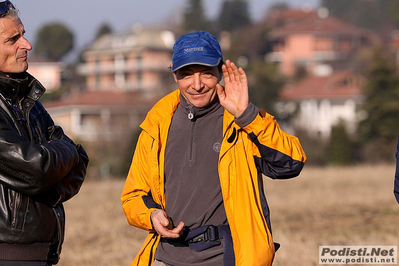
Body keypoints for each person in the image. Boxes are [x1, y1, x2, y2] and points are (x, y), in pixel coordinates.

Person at [121, 30, 306, 266]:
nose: (196, 85)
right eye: (186, 75)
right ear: (174, 74)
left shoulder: (242, 121)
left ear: (220, 71)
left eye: (206, 74)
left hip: (226, 258)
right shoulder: (156, 124)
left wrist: (247, 115)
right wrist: (152, 215)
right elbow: (133, 196)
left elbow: (290, 164)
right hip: (165, 258)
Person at [0, 1, 88, 265]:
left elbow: (79, 159)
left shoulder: (28, 102)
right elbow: (38, 167)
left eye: (23, 34)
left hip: (41, 256)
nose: (26, 45)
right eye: (13, 39)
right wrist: (58, 160)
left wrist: (47, 188)